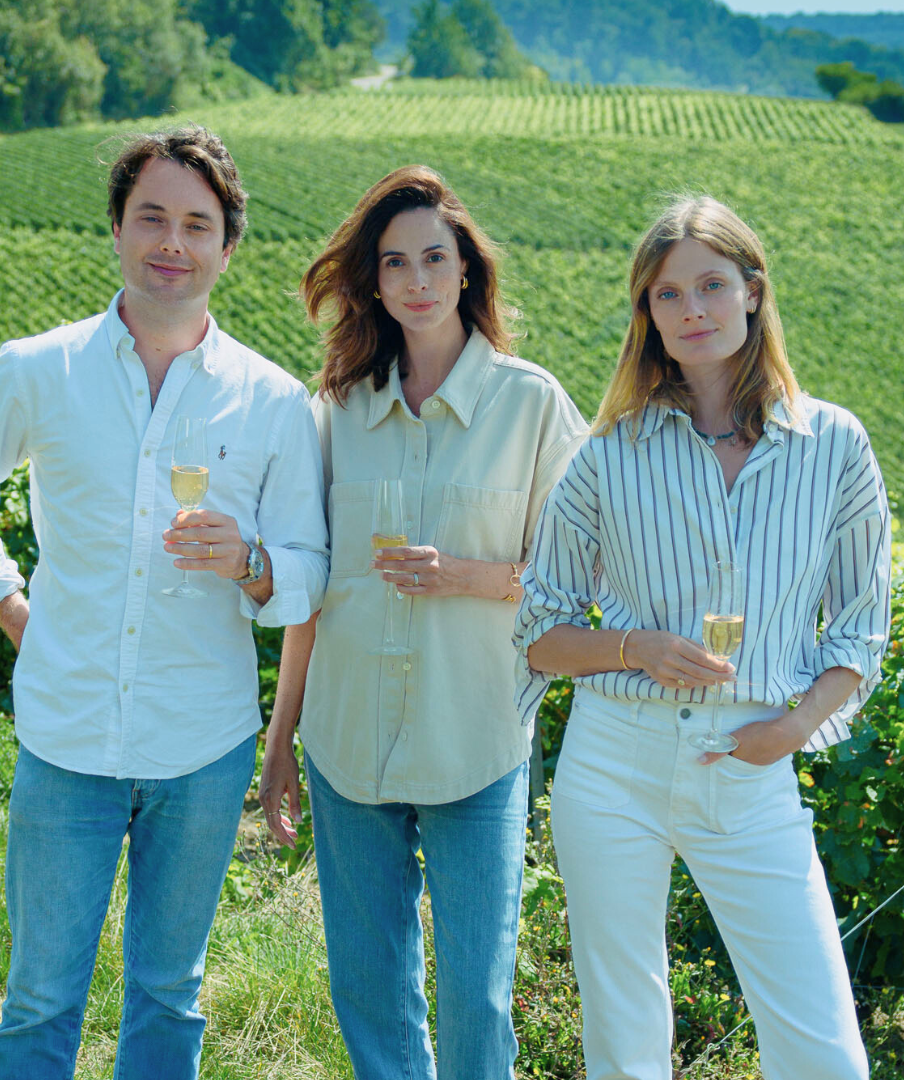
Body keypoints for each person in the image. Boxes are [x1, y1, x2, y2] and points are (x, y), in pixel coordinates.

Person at [0, 125, 329, 1079]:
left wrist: (251, 562)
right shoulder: (37, 369)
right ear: (115, 229)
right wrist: (12, 609)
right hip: (66, 737)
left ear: (229, 246)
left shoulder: (271, 401)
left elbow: (307, 573)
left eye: (197, 224)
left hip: (203, 747)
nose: (172, 244)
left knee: (169, 996)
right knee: (38, 1001)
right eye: (152, 217)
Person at [514, 195, 891, 1080]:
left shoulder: (832, 444)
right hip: (614, 762)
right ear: (646, 313)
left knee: (824, 1051)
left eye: (712, 285)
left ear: (754, 293)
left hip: (753, 761)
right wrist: (632, 647)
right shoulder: (608, 453)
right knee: (626, 1036)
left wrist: (792, 731)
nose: (692, 310)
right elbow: (539, 632)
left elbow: (861, 630)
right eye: (667, 294)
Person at [257, 165, 587, 1078]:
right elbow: (311, 591)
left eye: (434, 258)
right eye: (394, 262)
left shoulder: (531, 404)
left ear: (467, 271)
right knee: (369, 987)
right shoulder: (337, 411)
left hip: (477, 739)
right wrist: (281, 738)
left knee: (476, 995)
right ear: (372, 280)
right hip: (344, 739)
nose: (416, 280)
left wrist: (466, 577)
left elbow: (583, 578)